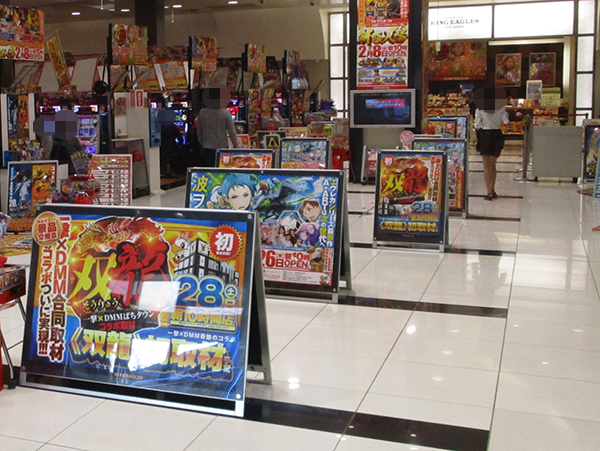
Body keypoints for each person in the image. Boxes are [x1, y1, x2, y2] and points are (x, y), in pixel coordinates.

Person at [474, 85, 509, 201]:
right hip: (497, 135)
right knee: (493, 163)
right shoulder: (501, 108)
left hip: (485, 135)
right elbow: (507, 123)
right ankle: (492, 188)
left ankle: (489, 191)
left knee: (486, 165)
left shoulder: (480, 109)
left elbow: (477, 125)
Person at [196, 84, 238, 167]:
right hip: (222, 147)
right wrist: (235, 145)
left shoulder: (202, 112)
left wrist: (202, 143)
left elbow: (199, 131)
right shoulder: (226, 113)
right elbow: (232, 131)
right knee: (222, 170)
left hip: (207, 147)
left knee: (209, 170)